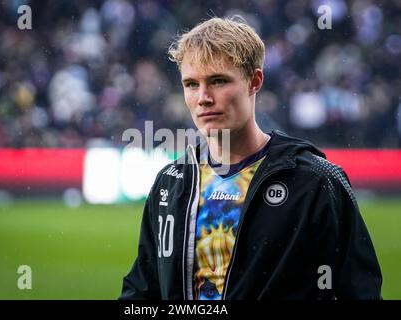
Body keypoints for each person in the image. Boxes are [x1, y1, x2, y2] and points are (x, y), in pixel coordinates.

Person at [119, 16, 382, 300]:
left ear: (254, 81)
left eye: (218, 81)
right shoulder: (170, 183)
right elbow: (143, 291)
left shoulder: (315, 181)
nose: (203, 97)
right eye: (191, 84)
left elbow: (359, 290)